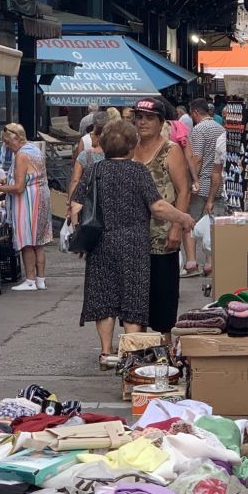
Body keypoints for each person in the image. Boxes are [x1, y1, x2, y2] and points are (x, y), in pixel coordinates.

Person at [71, 120, 194, 368]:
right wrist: (183, 219)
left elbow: (76, 205)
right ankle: (130, 354)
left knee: (104, 298)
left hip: (101, 242)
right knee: (133, 299)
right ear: (131, 146)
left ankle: (106, 353)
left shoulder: (94, 170)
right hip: (134, 244)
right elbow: (157, 206)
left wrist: (81, 235)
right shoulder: (138, 171)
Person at [132, 98, 190, 337]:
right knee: (135, 296)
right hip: (132, 236)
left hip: (161, 235)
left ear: (161, 122)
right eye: (139, 117)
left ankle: (164, 344)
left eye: (149, 118)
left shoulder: (170, 150)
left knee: (163, 293)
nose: (143, 122)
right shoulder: (129, 148)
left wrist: (177, 227)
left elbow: (183, 191)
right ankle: (138, 344)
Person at [0, 123, 53, 292]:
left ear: (16, 138)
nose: (7, 147)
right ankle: (40, 279)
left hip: (28, 201)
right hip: (41, 197)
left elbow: (18, 187)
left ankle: (30, 280)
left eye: (8, 143)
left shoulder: (21, 155)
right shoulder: (34, 150)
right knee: (39, 242)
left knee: (27, 241)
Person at [184, 98, 225, 275]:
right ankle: (209, 263)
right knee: (211, 224)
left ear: (195, 112)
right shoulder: (221, 129)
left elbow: (197, 158)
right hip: (218, 183)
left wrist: (192, 180)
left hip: (202, 182)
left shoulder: (199, 129)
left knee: (190, 222)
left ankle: (191, 262)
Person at [68, 111, 107, 205]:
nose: (91, 136)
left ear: (98, 137)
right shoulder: (115, 153)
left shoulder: (84, 153)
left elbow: (75, 180)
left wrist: (70, 201)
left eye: (92, 135)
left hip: (87, 201)